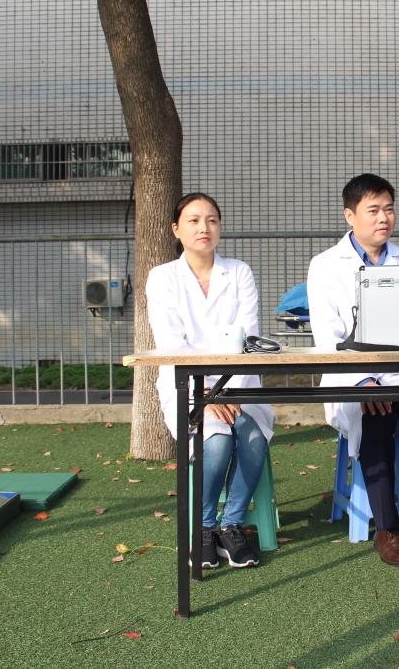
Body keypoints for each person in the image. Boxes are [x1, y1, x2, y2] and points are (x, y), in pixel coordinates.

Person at [307, 174, 399, 568]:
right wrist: (364, 380)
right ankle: (388, 529)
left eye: (388, 209)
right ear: (349, 216)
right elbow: (328, 339)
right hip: (353, 376)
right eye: (372, 210)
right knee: (374, 410)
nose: (383, 218)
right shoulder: (325, 266)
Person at [146, 192, 275, 569]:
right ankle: (203, 530)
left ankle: (231, 527)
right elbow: (172, 345)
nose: (204, 227)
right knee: (216, 442)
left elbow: (247, 337)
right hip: (188, 387)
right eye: (193, 220)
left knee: (252, 437)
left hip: (239, 385)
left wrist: (228, 391)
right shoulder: (162, 278)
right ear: (176, 229)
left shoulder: (239, 272)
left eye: (212, 220)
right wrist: (207, 395)